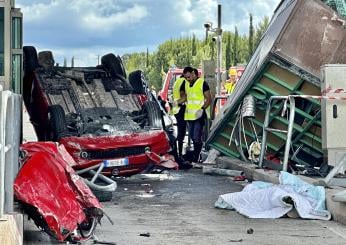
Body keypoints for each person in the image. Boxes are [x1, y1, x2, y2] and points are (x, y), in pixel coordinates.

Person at [182, 67, 211, 162]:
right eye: (186, 78)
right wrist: (176, 102)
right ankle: (195, 156)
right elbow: (186, 98)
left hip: (199, 115)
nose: (188, 79)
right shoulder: (187, 84)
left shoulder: (202, 83)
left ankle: (196, 156)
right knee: (192, 136)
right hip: (190, 116)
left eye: (189, 77)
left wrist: (202, 109)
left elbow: (208, 99)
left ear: (194, 73)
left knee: (196, 137)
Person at [171, 73, 188, 158]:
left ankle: (178, 153)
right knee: (182, 133)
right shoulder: (184, 82)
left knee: (180, 132)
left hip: (176, 110)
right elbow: (183, 97)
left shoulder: (177, 81)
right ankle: (179, 155)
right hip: (181, 109)